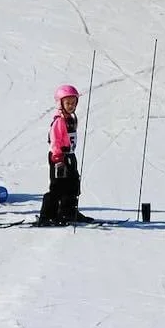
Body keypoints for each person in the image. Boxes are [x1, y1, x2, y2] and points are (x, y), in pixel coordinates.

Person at [36, 84, 93, 226]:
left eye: (74, 103)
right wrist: (58, 159)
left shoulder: (71, 118)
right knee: (57, 187)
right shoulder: (59, 120)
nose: (71, 106)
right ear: (60, 103)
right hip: (59, 158)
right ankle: (47, 215)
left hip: (70, 156)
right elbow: (55, 141)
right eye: (68, 103)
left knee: (73, 184)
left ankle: (68, 212)